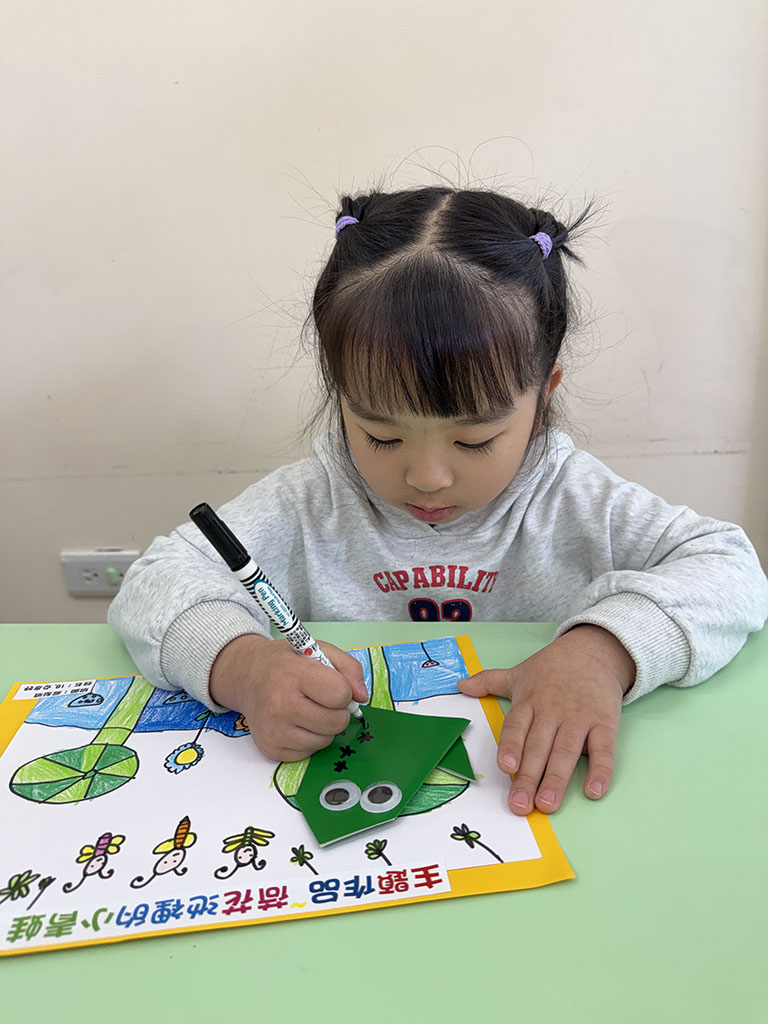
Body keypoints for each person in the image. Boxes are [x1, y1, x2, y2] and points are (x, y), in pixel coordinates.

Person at [108, 186, 768, 816]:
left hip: (523, 797)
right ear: (340, 393)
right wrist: (244, 666)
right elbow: (153, 583)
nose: (427, 477)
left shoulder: (569, 495)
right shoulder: (313, 500)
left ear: (543, 398)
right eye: (382, 435)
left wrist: (603, 652)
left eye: (475, 440)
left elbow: (731, 568)